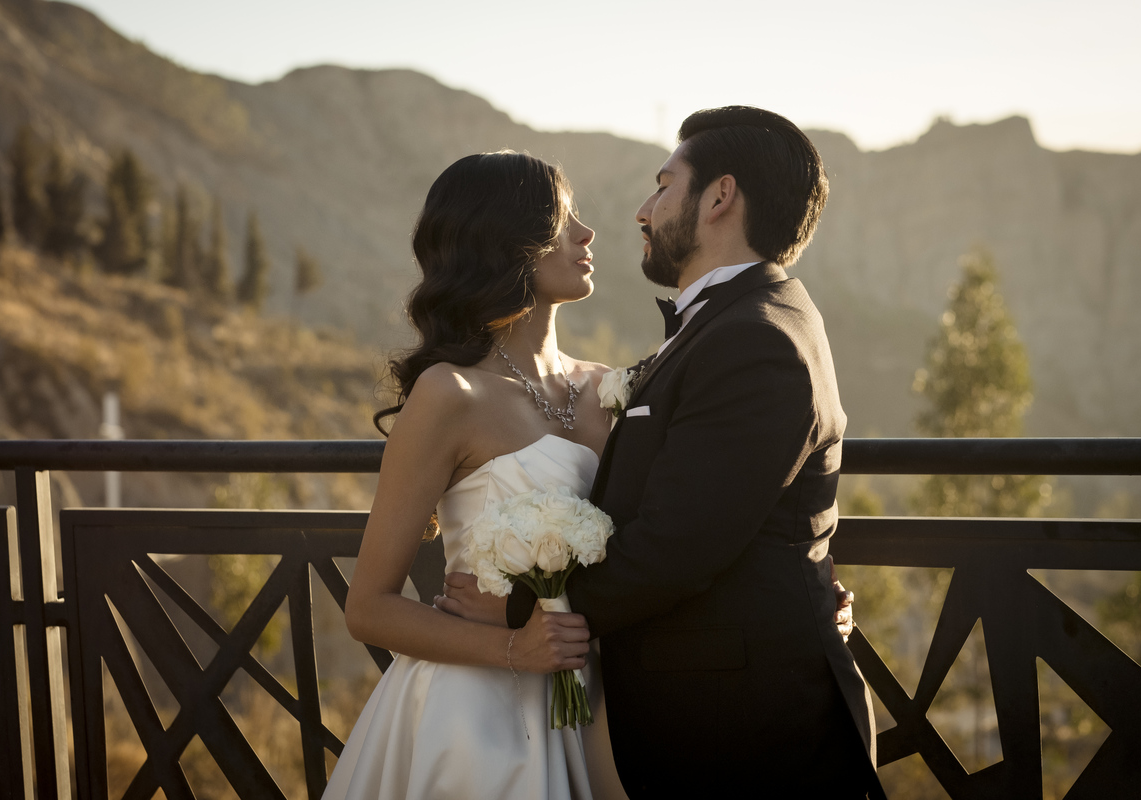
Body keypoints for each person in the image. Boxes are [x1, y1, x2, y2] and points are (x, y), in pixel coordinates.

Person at [443, 106, 884, 797]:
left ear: (718, 197)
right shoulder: (735, 323)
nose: (644, 211)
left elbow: (676, 548)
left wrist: (519, 612)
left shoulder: (754, 337)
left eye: (663, 185)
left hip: (743, 732)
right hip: (696, 714)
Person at [322, 151, 616, 799]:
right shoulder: (448, 395)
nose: (586, 234)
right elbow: (368, 608)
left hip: (598, 709)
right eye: (564, 218)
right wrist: (517, 650)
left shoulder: (607, 390)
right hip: (478, 720)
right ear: (506, 242)